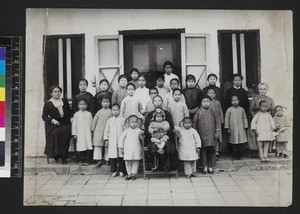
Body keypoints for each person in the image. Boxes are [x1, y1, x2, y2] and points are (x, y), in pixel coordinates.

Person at [144, 95, 177, 171]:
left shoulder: (167, 113)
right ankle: (155, 166)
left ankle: (167, 166)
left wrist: (165, 134)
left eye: (159, 100)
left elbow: (170, 126)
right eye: (155, 101)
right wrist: (153, 134)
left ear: (162, 102)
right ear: (153, 102)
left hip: (165, 136)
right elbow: (147, 128)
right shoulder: (149, 114)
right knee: (153, 146)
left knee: (168, 144)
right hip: (154, 137)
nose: (157, 102)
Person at [42, 85, 72, 164]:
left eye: (59, 92)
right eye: (55, 92)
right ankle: (56, 155)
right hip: (54, 125)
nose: (57, 93)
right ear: (51, 93)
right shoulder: (48, 103)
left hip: (64, 122)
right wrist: (52, 120)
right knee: (57, 133)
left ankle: (63, 156)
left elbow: (69, 113)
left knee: (66, 131)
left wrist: (71, 117)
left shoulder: (64, 101)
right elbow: (44, 116)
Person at [194, 95, 221, 174]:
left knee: (212, 150)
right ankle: (204, 167)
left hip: (212, 135)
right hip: (202, 135)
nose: (206, 103)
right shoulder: (199, 112)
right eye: (204, 102)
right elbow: (195, 122)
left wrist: (217, 132)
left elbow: (218, 122)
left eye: (208, 101)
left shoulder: (213, 111)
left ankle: (211, 166)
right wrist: (196, 134)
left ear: (210, 102)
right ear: (201, 103)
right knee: (203, 151)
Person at [248, 83, 275, 152]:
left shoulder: (270, 99)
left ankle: (266, 150)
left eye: (264, 89)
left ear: (267, 90)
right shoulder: (255, 99)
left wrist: (269, 118)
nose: (262, 90)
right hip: (257, 118)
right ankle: (255, 150)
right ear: (258, 90)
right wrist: (256, 118)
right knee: (252, 131)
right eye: (261, 89)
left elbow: (273, 110)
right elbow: (251, 109)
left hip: (266, 119)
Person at [103, 104, 126, 177]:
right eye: (114, 110)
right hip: (112, 140)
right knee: (113, 155)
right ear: (111, 111)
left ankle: (122, 171)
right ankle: (114, 170)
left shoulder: (123, 120)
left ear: (119, 110)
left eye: (117, 110)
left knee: (121, 155)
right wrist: (106, 139)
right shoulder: (110, 120)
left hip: (121, 140)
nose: (115, 112)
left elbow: (125, 130)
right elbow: (106, 131)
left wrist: (125, 140)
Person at [118, 115, 144, 181]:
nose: (134, 124)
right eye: (132, 122)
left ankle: (133, 174)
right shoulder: (126, 131)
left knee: (135, 162)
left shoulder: (138, 130)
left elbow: (141, 139)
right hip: (128, 149)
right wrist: (121, 148)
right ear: (129, 123)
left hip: (136, 148)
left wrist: (142, 135)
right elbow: (121, 139)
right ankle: (129, 174)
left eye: (136, 122)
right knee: (127, 162)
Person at [224, 95, 248, 160]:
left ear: (238, 101)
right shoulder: (229, 110)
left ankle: (239, 155)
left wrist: (245, 126)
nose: (234, 102)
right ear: (231, 102)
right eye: (233, 100)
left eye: (236, 100)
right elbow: (226, 119)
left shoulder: (242, 109)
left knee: (240, 141)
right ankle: (234, 155)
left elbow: (244, 118)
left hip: (240, 128)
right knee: (233, 142)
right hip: (233, 128)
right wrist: (227, 127)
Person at [72, 98, 93, 166]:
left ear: (86, 105)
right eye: (81, 104)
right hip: (80, 133)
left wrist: (92, 131)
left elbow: (92, 123)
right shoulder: (76, 114)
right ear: (78, 106)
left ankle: (87, 160)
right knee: (81, 146)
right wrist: (74, 134)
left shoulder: (89, 114)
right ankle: (81, 160)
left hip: (87, 133)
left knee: (88, 146)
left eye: (84, 104)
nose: (83, 106)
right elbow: (74, 125)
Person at [92, 97, 112, 166]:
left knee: (107, 146)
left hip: (108, 131)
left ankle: (107, 159)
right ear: (101, 103)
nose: (105, 103)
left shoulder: (111, 112)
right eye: (104, 102)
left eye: (107, 102)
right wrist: (93, 129)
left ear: (109, 103)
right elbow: (94, 121)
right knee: (98, 145)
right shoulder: (99, 112)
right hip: (99, 131)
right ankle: (98, 159)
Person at [207, 88, 224, 157]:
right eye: (209, 93)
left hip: (216, 121)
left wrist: (222, 121)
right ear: (207, 94)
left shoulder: (217, 102)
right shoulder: (206, 102)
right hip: (209, 121)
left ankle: (216, 151)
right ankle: (210, 150)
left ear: (215, 95)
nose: (211, 95)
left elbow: (220, 112)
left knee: (216, 137)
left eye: (213, 93)